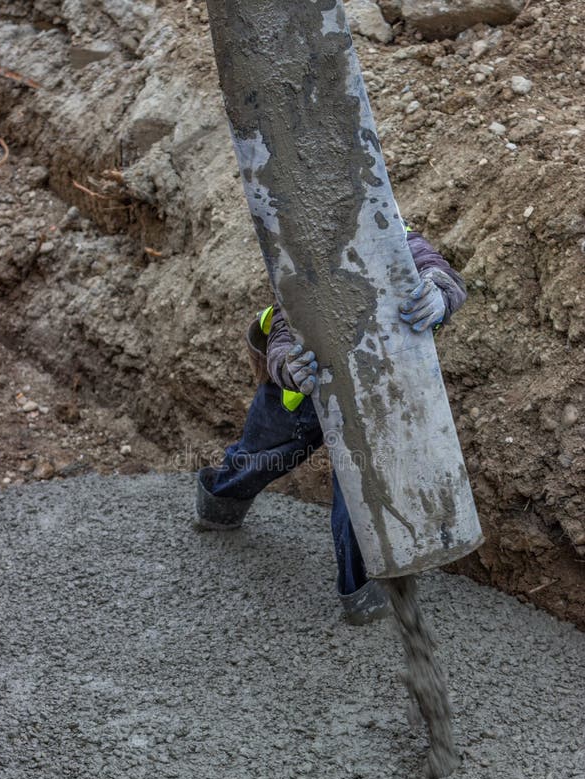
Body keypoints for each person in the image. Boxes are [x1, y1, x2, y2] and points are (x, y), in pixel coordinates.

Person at [195, 225, 467, 625]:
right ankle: (219, 505)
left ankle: (365, 591)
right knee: (258, 458)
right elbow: (283, 333)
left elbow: (436, 270)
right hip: (298, 396)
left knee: (362, 491)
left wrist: (438, 293)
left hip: (367, 393)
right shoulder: (300, 250)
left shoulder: (389, 233)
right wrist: (288, 366)